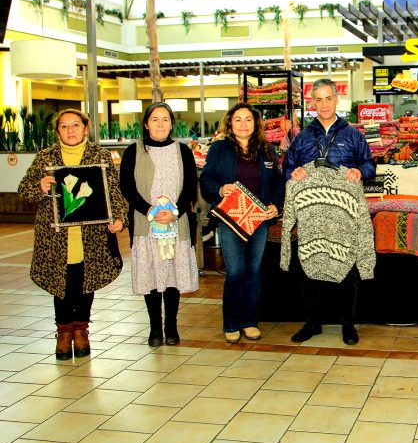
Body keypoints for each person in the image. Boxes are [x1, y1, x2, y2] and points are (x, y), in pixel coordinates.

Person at [18, 109, 126, 360]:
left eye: (75, 125)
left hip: (91, 234)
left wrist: (120, 218)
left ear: (86, 128)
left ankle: (82, 330)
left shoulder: (99, 156)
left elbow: (113, 191)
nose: (70, 131)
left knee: (85, 281)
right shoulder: (45, 157)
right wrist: (40, 186)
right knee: (62, 284)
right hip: (55, 237)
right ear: (58, 131)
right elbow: (25, 190)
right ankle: (64, 332)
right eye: (64, 126)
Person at [283, 78, 376, 345]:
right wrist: (295, 172)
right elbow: (287, 168)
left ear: (337, 100)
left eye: (328, 98)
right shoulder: (302, 138)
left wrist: (361, 171)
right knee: (310, 266)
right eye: (319, 99)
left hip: (343, 216)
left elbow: (370, 164)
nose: (324, 104)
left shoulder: (353, 135)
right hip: (312, 215)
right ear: (313, 104)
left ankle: (348, 324)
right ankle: (313, 323)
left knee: (347, 267)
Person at [200, 103, 283, 343]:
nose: (243, 124)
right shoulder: (219, 148)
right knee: (235, 271)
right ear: (230, 123)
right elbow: (206, 179)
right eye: (238, 119)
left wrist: (275, 205)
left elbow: (277, 181)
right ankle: (231, 323)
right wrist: (219, 188)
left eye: (248, 119)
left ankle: (250, 321)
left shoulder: (267, 149)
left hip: (258, 218)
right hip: (231, 219)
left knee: (254, 271)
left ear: (255, 123)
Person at [120, 102, 199, 347]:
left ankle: (171, 326)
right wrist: (151, 211)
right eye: (155, 119)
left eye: (165, 119)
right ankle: (155, 327)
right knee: (151, 276)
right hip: (146, 224)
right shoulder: (134, 151)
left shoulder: (183, 151)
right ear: (146, 124)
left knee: (173, 276)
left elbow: (189, 187)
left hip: (177, 222)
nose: (160, 124)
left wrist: (173, 212)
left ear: (171, 124)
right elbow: (127, 187)